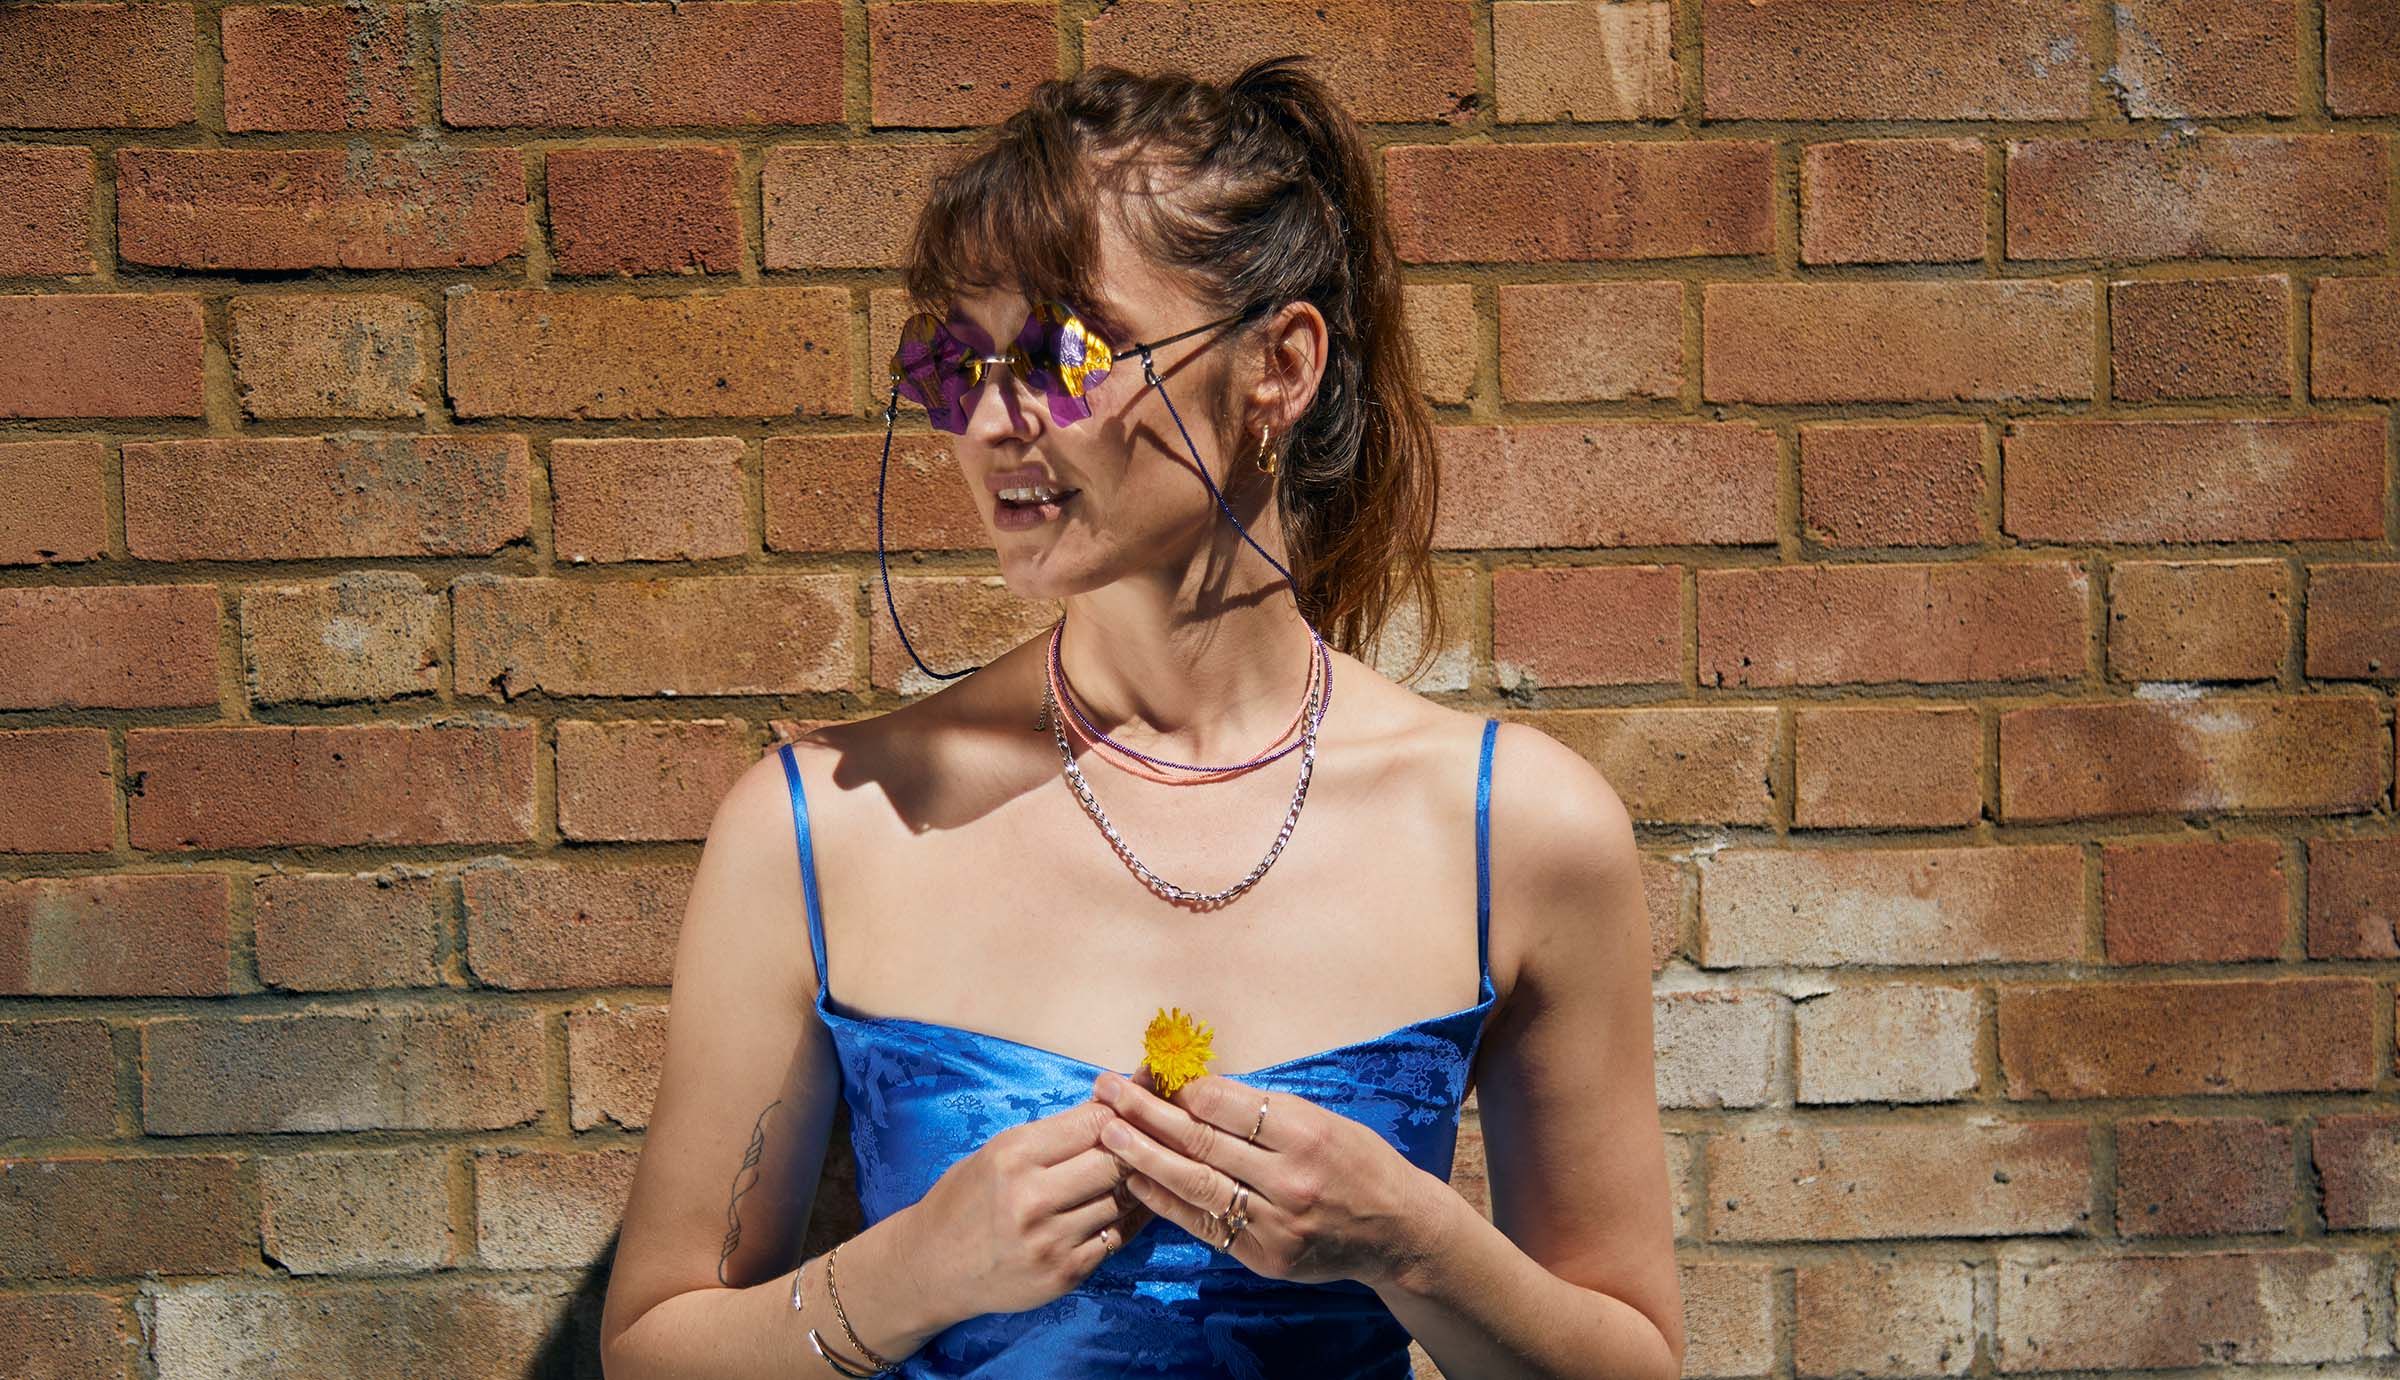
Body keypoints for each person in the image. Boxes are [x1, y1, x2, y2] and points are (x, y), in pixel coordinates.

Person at [598, 54, 1682, 1379]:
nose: (995, 421)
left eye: (1064, 351)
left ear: (1279, 365)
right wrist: (912, 1272)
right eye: (956, 363)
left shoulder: (1518, 831)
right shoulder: (822, 825)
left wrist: (1415, 1246)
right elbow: (651, 1349)